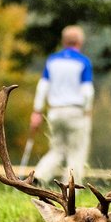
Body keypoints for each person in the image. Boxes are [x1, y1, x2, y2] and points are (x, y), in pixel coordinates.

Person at [29, 25, 94, 182]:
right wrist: (87, 111)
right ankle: (70, 189)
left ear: (64, 41)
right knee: (76, 154)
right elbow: (87, 92)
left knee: (57, 150)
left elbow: (42, 87)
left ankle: (39, 176)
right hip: (76, 112)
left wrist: (37, 111)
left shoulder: (52, 60)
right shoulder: (83, 62)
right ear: (80, 42)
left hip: (55, 112)